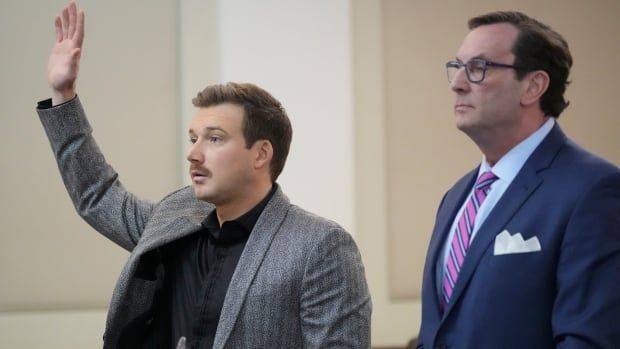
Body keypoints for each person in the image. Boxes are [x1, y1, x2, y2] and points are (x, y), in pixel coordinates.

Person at [37, 2, 371, 348]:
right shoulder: (174, 218)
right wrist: (63, 96)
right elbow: (98, 197)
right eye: (194, 138)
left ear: (261, 153)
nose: (193, 154)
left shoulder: (319, 246)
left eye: (214, 139)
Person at [417, 11, 620, 348]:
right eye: (457, 67)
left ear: (533, 86)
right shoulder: (455, 197)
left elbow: (589, 339)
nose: (457, 83)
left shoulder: (594, 190)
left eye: (479, 68)